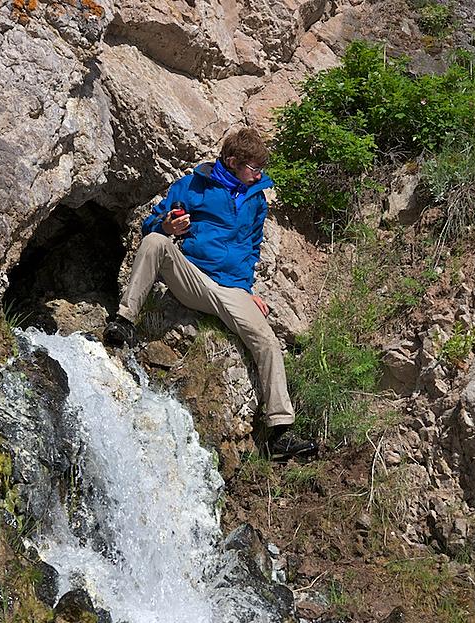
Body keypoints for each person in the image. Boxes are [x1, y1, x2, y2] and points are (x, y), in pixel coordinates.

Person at [104, 126, 316, 462]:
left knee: (268, 342)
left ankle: (278, 432)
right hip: (194, 277)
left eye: (261, 169)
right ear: (232, 161)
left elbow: (252, 247)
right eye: (253, 168)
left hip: (233, 288)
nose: (258, 174)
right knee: (155, 242)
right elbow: (153, 222)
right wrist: (167, 227)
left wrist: (247, 290)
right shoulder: (195, 184)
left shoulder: (256, 198)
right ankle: (124, 320)